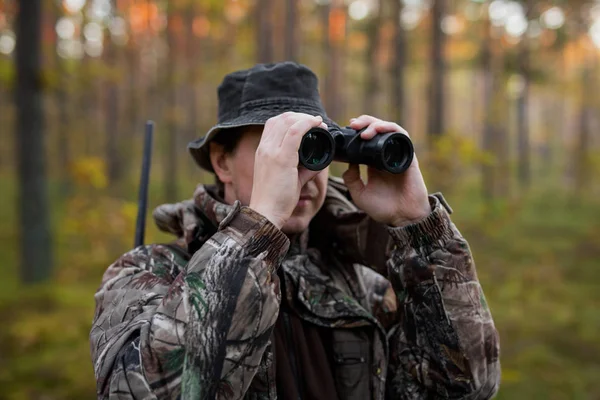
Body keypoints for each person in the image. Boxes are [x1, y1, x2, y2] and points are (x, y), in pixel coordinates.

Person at [90, 62, 500, 400]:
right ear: (222, 163)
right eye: (280, 149)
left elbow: (466, 390)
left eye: (315, 150)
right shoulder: (148, 275)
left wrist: (420, 231)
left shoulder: (363, 283)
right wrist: (258, 226)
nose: (304, 174)